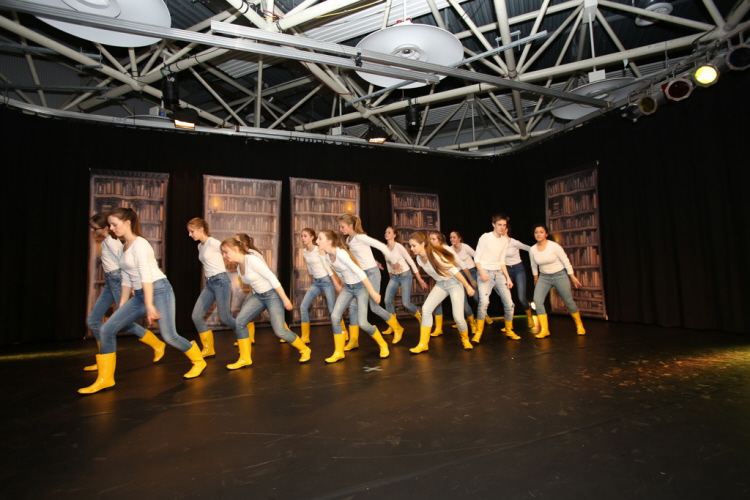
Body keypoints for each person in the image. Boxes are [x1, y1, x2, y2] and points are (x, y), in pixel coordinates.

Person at [79, 208, 205, 395]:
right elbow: (126, 277)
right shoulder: (124, 246)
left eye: (114, 224)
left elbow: (146, 276)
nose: (111, 228)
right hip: (139, 294)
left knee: (169, 335)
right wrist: (123, 302)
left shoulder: (140, 244)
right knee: (107, 329)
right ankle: (105, 379)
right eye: (110, 225)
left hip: (159, 290)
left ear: (127, 222)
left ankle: (198, 361)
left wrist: (149, 304)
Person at [85, 212, 164, 371]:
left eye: (96, 228)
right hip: (110, 281)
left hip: (118, 280)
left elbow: (127, 264)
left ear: (105, 228)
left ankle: (156, 343)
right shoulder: (107, 242)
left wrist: (132, 285)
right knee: (93, 320)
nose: (93, 231)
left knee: (123, 321)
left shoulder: (113, 242)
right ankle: (102, 357)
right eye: (92, 228)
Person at [220, 237, 310, 368]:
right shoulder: (239, 267)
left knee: (280, 331)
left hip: (272, 295)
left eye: (225, 252)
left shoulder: (252, 260)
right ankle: (245, 358)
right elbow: (254, 284)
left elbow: (271, 278)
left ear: (235, 249)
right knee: (240, 322)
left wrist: (285, 299)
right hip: (258, 295)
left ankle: (305, 349)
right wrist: (262, 306)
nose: (224, 255)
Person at [316, 230, 390, 363]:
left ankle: (383, 344)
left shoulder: (341, 253)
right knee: (335, 316)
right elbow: (341, 274)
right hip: (348, 288)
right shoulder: (327, 257)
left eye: (320, 238)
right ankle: (339, 352)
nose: (317, 241)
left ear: (329, 241)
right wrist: (343, 287)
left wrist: (372, 292)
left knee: (363, 323)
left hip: (360, 288)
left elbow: (359, 272)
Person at [337, 214, 404, 351]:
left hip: (372, 274)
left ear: (350, 225)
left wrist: (394, 262)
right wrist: (374, 261)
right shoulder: (348, 240)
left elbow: (381, 246)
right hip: (361, 275)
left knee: (374, 307)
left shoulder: (361, 237)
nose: (340, 229)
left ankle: (397, 327)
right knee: (353, 306)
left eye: (342, 226)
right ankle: (354, 340)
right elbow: (361, 256)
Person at [408, 232, 475, 353]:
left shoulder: (435, 255)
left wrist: (468, 286)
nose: (411, 248)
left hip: (454, 283)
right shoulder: (419, 259)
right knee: (426, 309)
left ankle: (465, 339)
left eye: (414, 245)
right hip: (441, 284)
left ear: (422, 244)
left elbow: (455, 271)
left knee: (458, 318)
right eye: (410, 246)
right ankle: (423, 344)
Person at [187, 217, 236, 358]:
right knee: (196, 316)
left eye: (192, 231)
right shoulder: (200, 246)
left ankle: (244, 333)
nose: (190, 234)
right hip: (210, 284)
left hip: (221, 281)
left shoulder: (213, 243)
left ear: (201, 229)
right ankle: (208, 349)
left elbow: (229, 251)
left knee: (225, 317)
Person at [529, 224, 586, 338]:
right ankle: (545, 329)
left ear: (546, 234)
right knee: (538, 300)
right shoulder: (532, 249)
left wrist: (572, 276)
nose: (538, 234)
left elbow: (565, 261)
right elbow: (533, 264)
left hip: (559, 275)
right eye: (536, 232)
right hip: (544, 277)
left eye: (541, 232)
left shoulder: (554, 246)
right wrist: (536, 278)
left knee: (568, 301)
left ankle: (579, 325)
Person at [473, 214, 517, 343]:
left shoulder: (504, 241)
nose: (502, 227)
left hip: (499, 273)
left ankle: (509, 330)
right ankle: (478, 333)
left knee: (509, 304)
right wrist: (481, 273)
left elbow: (502, 261)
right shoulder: (485, 237)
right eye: (499, 225)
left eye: (504, 225)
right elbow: (477, 258)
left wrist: (508, 278)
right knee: (484, 303)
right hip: (485, 272)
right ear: (493, 224)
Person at [298, 228, 346, 343]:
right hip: (316, 282)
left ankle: (343, 332)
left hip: (326, 281)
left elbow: (327, 267)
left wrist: (336, 284)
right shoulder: (304, 251)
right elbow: (310, 267)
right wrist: (312, 276)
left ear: (312, 237)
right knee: (303, 307)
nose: (303, 238)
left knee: (332, 309)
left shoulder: (318, 250)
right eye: (302, 236)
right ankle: (305, 337)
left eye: (305, 236)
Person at [382, 226, 426, 344]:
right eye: (385, 232)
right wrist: (390, 275)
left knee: (405, 303)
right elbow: (388, 263)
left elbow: (411, 262)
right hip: (394, 277)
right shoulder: (384, 248)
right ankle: (394, 326)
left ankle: (420, 317)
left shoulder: (399, 247)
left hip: (405, 275)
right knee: (387, 300)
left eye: (389, 232)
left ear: (394, 235)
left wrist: (419, 278)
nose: (386, 234)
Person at [429, 231, 477, 336]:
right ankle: (438, 328)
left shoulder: (447, 249)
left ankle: (472, 324)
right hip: (442, 280)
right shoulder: (432, 251)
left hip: (455, 278)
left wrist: (470, 280)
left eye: (433, 239)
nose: (431, 241)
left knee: (464, 304)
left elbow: (461, 264)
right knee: (436, 303)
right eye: (430, 239)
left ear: (439, 240)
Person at [503, 222, 535, 330]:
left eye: (504, 227)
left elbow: (530, 249)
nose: (501, 229)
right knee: (507, 298)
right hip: (506, 270)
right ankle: (508, 324)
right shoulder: (497, 244)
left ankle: (529, 316)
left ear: (507, 229)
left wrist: (534, 261)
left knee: (521, 298)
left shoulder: (514, 242)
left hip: (518, 269)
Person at [449, 230, 480, 333]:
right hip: (460, 273)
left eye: (454, 237)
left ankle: (484, 315)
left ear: (459, 238)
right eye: (450, 237)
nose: (452, 239)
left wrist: (480, 270)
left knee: (476, 297)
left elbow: (476, 255)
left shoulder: (465, 247)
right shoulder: (450, 249)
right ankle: (472, 323)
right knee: (462, 299)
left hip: (471, 271)